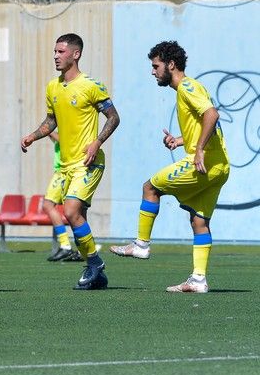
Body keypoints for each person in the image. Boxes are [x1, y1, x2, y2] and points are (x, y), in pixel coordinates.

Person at [110, 41, 229, 293]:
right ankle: (198, 280)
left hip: (204, 162)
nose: (153, 72)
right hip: (220, 167)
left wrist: (197, 150)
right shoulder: (192, 88)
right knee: (199, 221)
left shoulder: (186, 86)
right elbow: (206, 125)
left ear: (171, 64)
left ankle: (141, 244)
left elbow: (212, 115)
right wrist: (180, 140)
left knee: (150, 187)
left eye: (156, 66)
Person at [20, 33, 120, 291]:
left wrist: (97, 142)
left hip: (88, 162)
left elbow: (113, 117)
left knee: (70, 211)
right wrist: (33, 135)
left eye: (61, 51)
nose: (56, 56)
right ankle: (95, 273)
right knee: (79, 218)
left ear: (75, 54)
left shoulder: (91, 85)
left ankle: (95, 263)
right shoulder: (53, 87)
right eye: (55, 51)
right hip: (65, 165)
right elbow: (51, 120)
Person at [42, 131, 82, 262]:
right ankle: (82, 249)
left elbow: (63, 141)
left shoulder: (66, 121)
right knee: (75, 211)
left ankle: (65, 246)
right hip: (67, 170)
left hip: (63, 172)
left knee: (48, 205)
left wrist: (47, 130)